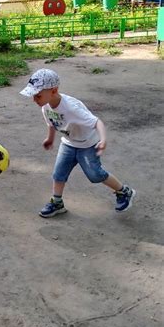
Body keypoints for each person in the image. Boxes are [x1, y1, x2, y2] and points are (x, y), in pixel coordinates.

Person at [20, 68, 135, 218]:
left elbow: (97, 122)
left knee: (95, 174)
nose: (34, 99)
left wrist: (103, 140)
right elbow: (52, 123)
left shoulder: (71, 108)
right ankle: (57, 202)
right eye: (33, 95)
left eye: (38, 95)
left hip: (87, 145)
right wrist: (50, 138)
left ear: (53, 91)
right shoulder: (45, 106)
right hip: (68, 143)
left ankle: (124, 192)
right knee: (58, 174)